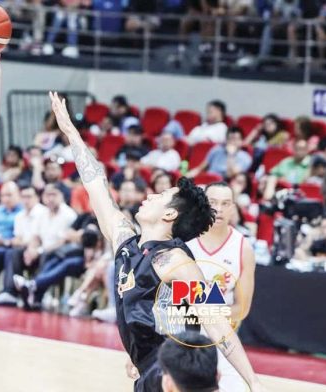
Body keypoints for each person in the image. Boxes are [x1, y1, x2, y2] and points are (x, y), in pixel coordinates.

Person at [47, 91, 265, 392]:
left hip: (175, 371)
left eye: (160, 196)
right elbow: (95, 181)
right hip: (148, 368)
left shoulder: (178, 261)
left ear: (170, 214)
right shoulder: (125, 240)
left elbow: (215, 321)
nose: (149, 196)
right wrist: (71, 132)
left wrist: (253, 380)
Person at [186, 182, 256, 392]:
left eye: (226, 203)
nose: (219, 209)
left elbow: (242, 309)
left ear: (233, 208)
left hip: (222, 334)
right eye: (213, 202)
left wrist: (210, 314)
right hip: (179, 328)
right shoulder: (184, 239)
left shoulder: (243, 248)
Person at [187, 127, 252, 179]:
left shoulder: (245, 157)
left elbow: (230, 175)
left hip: (224, 185)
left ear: (241, 141)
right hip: (208, 180)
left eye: (235, 139)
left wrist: (231, 155)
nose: (232, 142)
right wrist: (188, 176)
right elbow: (200, 168)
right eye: (230, 139)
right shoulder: (217, 150)